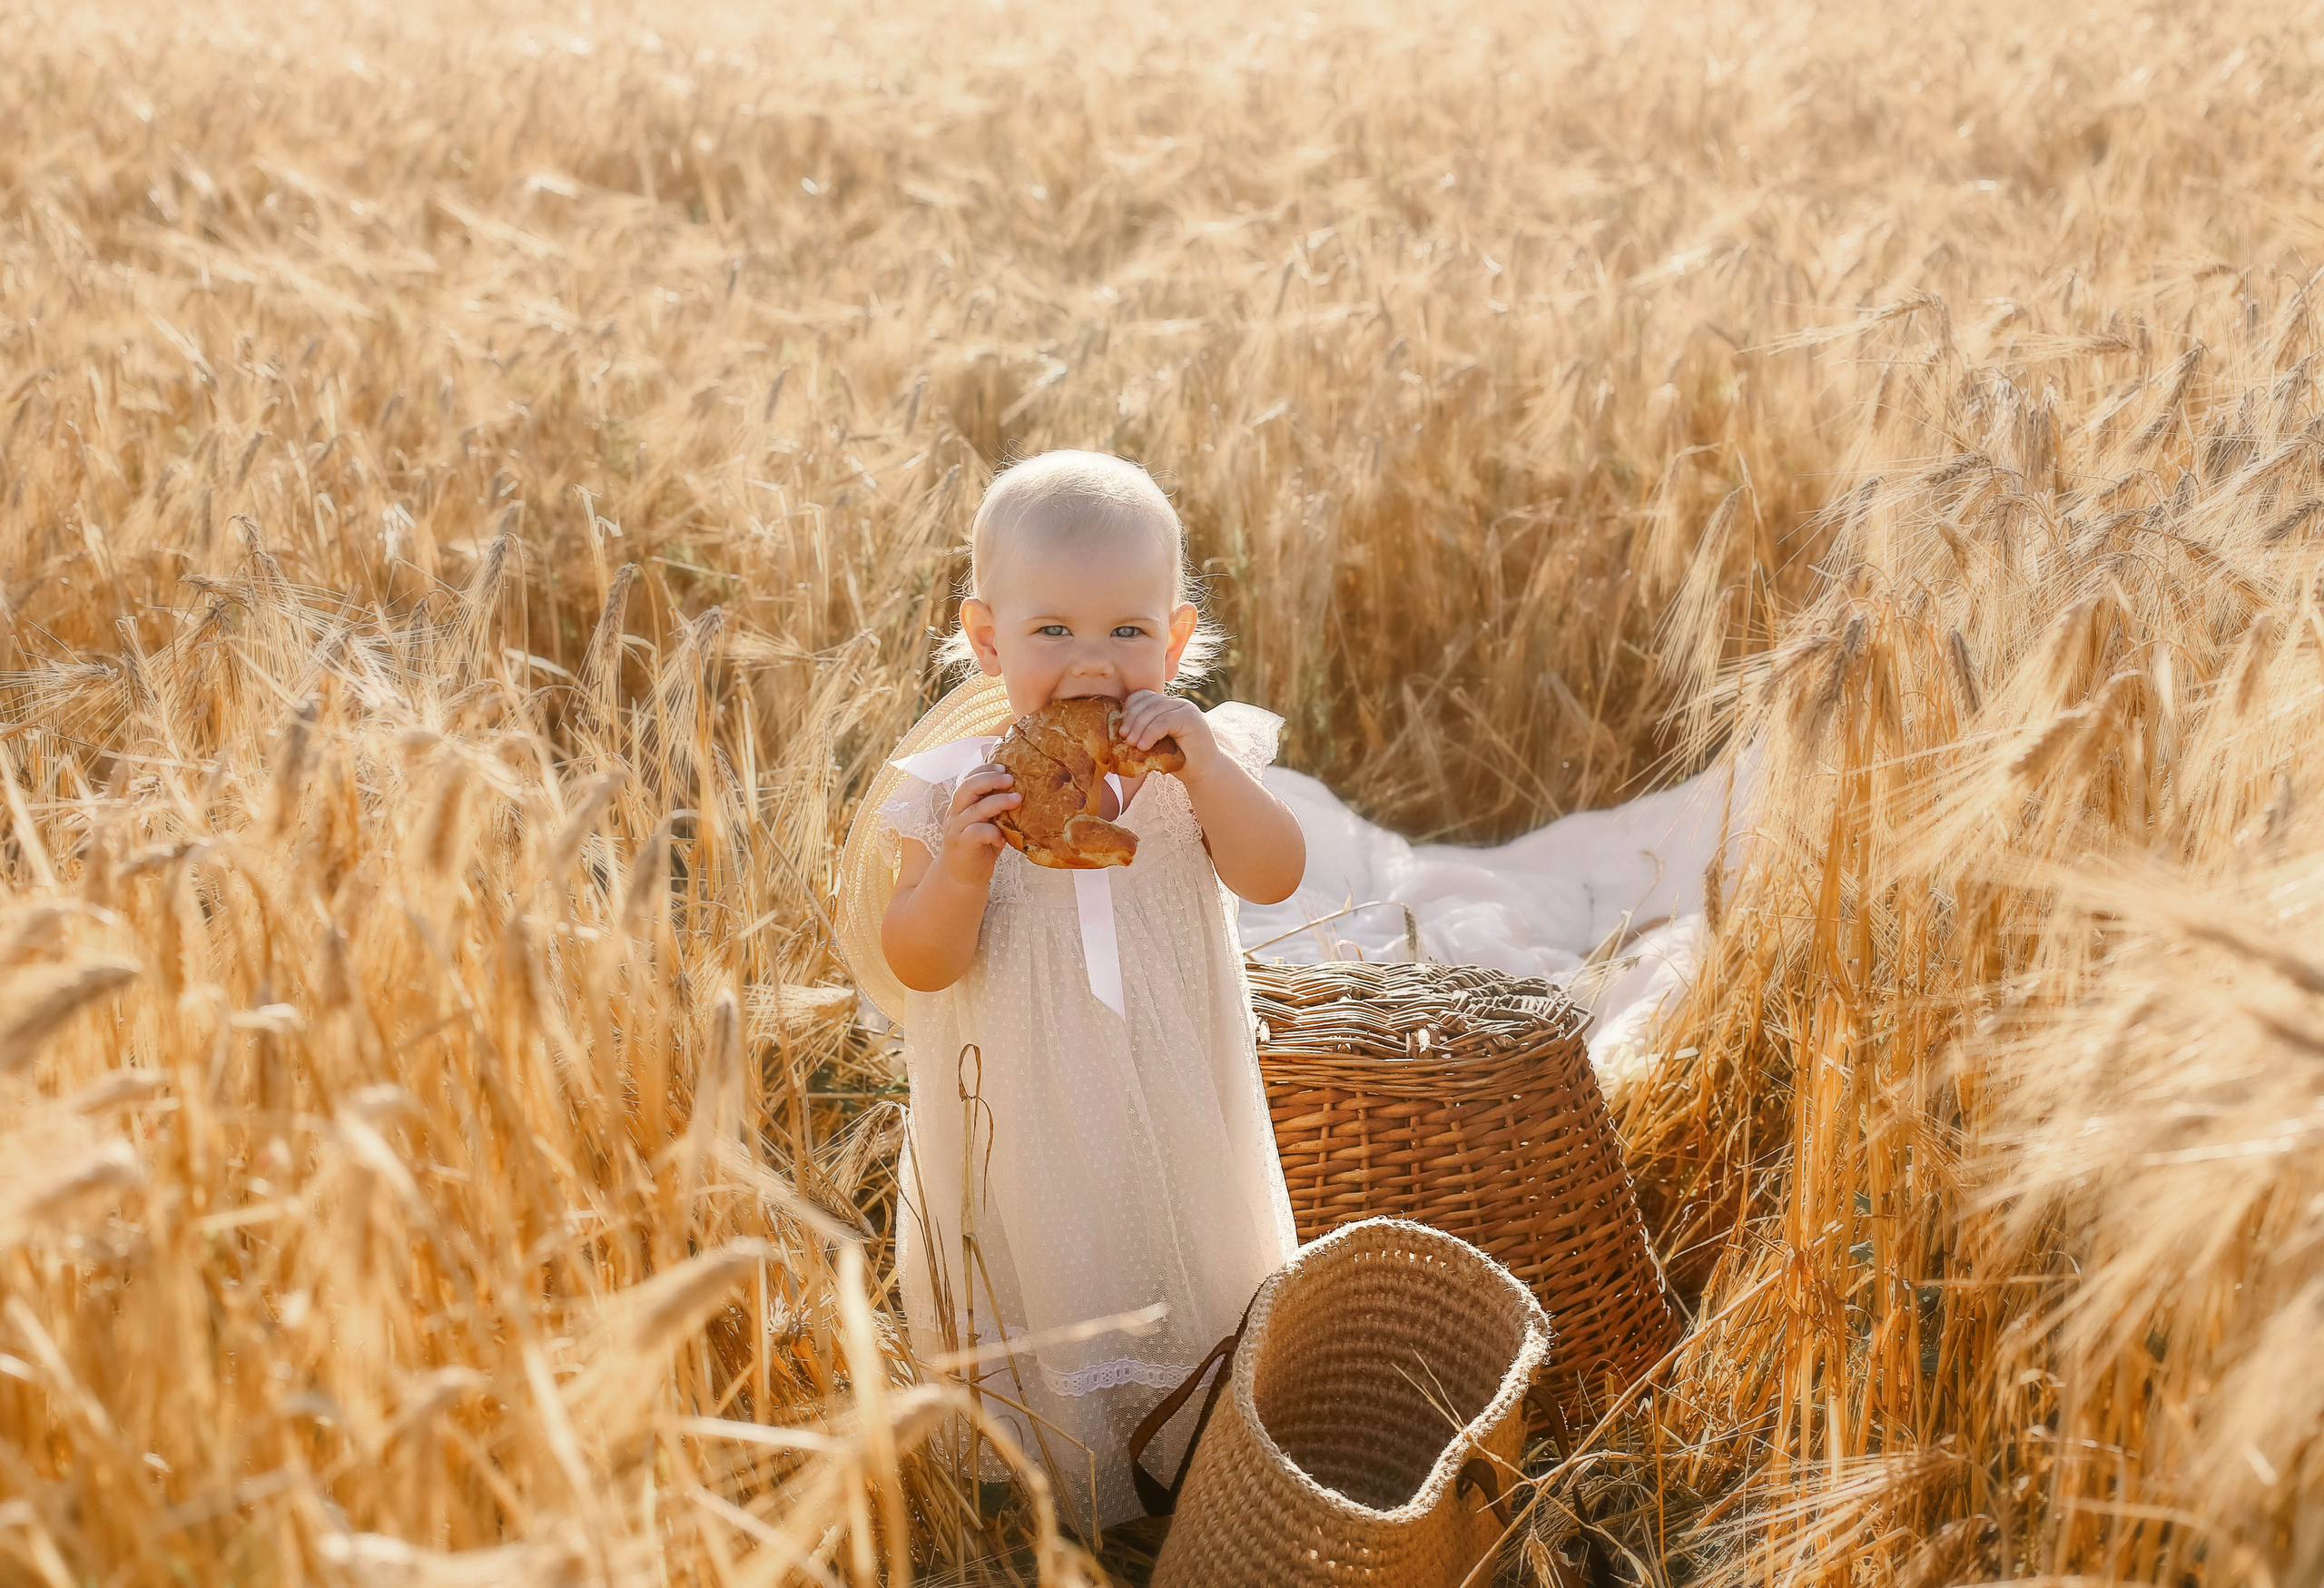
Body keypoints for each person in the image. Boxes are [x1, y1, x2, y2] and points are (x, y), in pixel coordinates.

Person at [834, 449, 1304, 1535]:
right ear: (989, 639)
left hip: (1175, 1084)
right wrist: (962, 866)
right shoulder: (956, 792)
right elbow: (919, 962)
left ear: (1176, 641)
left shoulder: (1193, 765)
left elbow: (1273, 874)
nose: (1093, 663)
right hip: (1022, 1104)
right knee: (1052, 1260)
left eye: (1127, 634)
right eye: (1053, 633)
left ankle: (1199, 1450)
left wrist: (1211, 769)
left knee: (1184, 1239)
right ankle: (1059, 1480)